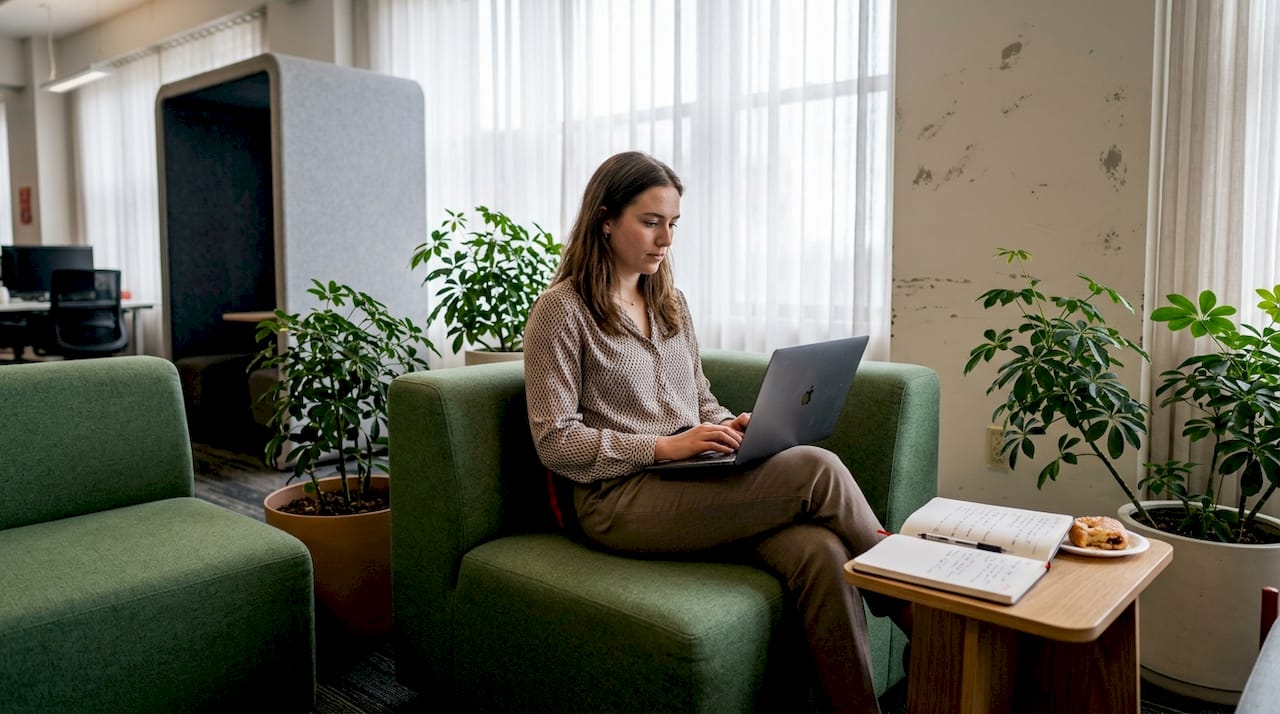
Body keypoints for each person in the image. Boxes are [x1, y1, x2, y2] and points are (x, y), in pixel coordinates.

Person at [523, 150, 910, 714]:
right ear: (605, 219)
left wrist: (728, 424)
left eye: (673, 224)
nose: (666, 239)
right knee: (815, 467)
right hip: (616, 499)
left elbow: (698, 396)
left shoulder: (670, 302)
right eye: (651, 222)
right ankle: (910, 603)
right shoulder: (561, 311)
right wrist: (661, 445)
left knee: (820, 550)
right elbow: (555, 441)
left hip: (686, 476)